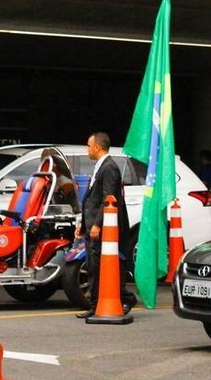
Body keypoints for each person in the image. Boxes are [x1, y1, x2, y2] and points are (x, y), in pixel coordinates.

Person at [75, 132, 137, 318]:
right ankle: (96, 303)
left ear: (98, 147)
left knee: (102, 266)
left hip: (102, 228)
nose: (87, 149)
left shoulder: (109, 168)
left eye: (88, 145)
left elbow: (107, 199)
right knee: (94, 266)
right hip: (92, 224)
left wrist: (98, 224)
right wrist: (84, 224)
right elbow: (92, 199)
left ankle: (123, 298)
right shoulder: (99, 167)